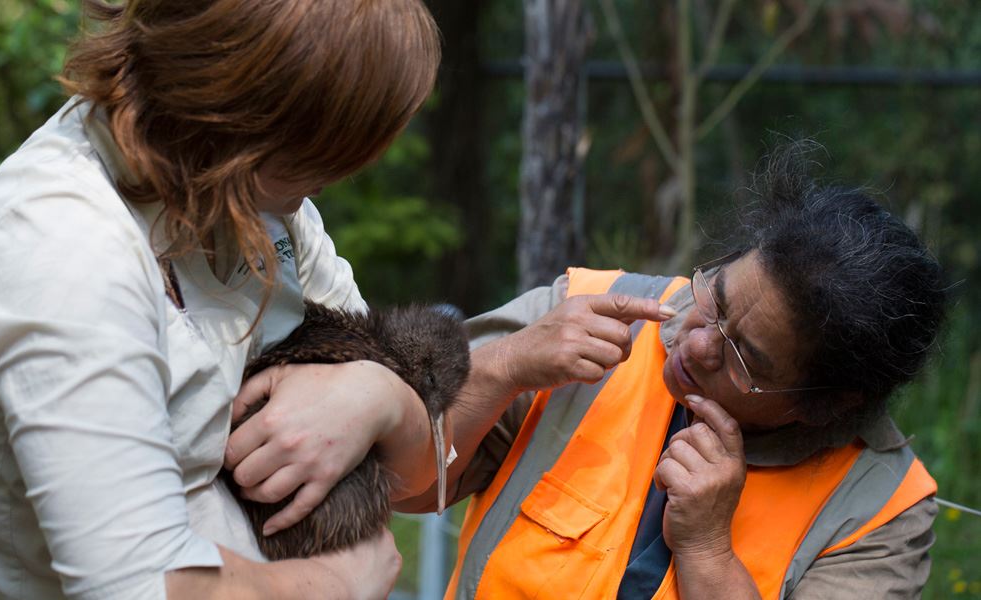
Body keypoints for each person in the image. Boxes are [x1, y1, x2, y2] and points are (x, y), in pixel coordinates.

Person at [0, 1, 445, 598]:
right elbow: (140, 585)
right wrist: (335, 585)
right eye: (323, 147)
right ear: (238, 109)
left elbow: (424, 479)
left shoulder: (250, 197)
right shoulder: (62, 248)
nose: (338, 176)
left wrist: (378, 398)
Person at [397, 143, 948, 599]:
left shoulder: (880, 508)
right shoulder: (589, 308)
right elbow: (405, 486)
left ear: (824, 403)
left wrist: (707, 551)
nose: (700, 342)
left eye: (744, 358)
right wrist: (503, 365)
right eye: (718, 298)